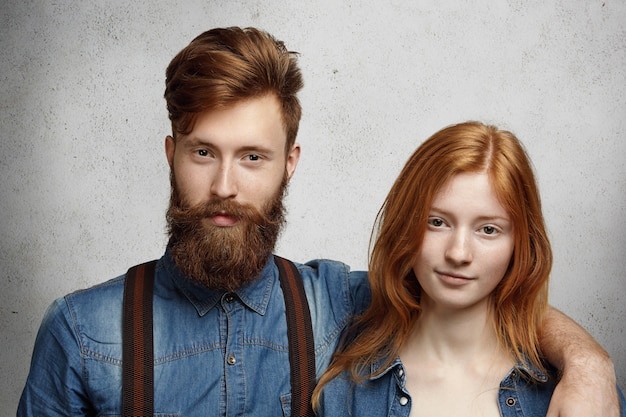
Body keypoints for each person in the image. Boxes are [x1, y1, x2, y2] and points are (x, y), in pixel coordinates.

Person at [17, 28, 620, 417]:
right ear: (172, 155)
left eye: (254, 156)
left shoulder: (341, 304)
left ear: (290, 165)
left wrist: (590, 365)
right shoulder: (83, 332)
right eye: (205, 152)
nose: (226, 185)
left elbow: (473, 293)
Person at [312, 121, 625, 417]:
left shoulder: (585, 395)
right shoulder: (342, 386)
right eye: (437, 222)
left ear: (521, 242)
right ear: (405, 225)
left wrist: (588, 362)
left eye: (488, 230)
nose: (458, 253)